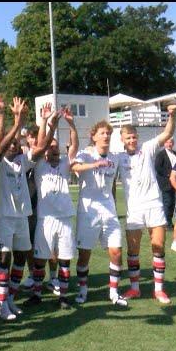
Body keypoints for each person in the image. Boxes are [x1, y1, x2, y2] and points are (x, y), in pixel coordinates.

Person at [0, 97, 55, 319]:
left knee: (20, 260)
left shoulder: (22, 162)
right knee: (4, 260)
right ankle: (1, 307)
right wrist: (17, 122)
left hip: (21, 217)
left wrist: (48, 123)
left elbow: (42, 147)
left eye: (17, 144)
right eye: (12, 144)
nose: (15, 146)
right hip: (3, 217)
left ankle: (9, 298)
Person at [117, 104, 176, 305]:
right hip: (134, 210)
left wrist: (172, 114)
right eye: (128, 138)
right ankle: (135, 289)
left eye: (134, 137)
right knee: (132, 251)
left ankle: (158, 290)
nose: (132, 140)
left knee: (158, 247)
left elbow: (168, 132)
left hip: (154, 205)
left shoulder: (148, 148)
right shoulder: (118, 157)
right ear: (122, 140)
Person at [71, 120, 127, 306]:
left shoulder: (115, 157)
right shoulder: (86, 155)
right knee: (84, 255)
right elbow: (74, 168)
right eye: (102, 133)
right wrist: (93, 165)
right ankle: (82, 290)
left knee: (116, 252)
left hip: (109, 211)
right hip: (88, 212)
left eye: (108, 133)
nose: (106, 136)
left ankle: (113, 292)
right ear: (94, 136)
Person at [32, 106, 78, 310]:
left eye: (55, 146)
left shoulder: (65, 165)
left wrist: (71, 124)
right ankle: (36, 294)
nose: (53, 149)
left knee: (65, 260)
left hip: (65, 218)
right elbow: (40, 144)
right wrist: (45, 121)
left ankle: (63, 296)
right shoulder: (39, 165)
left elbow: (74, 144)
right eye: (50, 147)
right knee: (40, 260)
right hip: (46, 219)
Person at [155, 138, 176, 229]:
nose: (169, 144)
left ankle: (169, 221)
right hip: (165, 182)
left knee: (173, 202)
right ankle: (167, 223)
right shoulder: (160, 154)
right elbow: (158, 168)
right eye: (167, 142)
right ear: (164, 144)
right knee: (167, 202)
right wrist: (169, 174)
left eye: (171, 142)